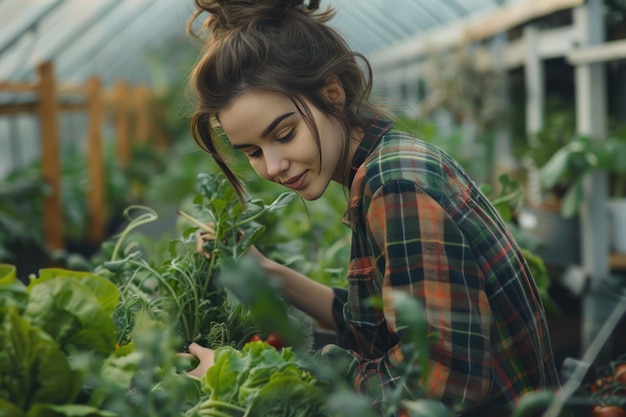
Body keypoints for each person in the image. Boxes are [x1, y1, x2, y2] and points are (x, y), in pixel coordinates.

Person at [184, 0, 561, 415]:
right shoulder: (386, 164)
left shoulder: (395, 184)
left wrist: (244, 372)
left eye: (285, 134)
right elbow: (381, 330)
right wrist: (270, 274)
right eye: (253, 151)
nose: (272, 166)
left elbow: (440, 387)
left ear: (332, 94)